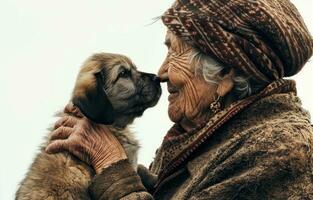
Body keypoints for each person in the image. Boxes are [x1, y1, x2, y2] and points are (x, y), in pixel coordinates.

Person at [46, 0, 313, 199]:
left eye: (175, 53)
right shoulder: (196, 143)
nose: (161, 73)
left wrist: (112, 167)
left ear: (225, 75)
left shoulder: (279, 150)